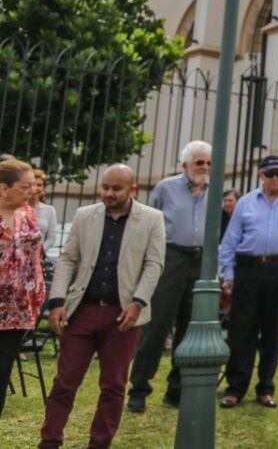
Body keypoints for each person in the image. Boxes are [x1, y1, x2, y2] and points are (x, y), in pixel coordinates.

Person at [40, 165, 165, 449]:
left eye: (116, 188)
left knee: (113, 387)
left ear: (133, 189)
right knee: (64, 382)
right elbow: (68, 259)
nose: (109, 193)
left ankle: (99, 444)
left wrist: (138, 302)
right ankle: (49, 442)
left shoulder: (152, 219)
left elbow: (154, 265)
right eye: (105, 187)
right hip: (82, 311)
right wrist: (57, 301)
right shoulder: (85, 215)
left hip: (124, 315)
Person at [218, 154, 278, 409]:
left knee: (272, 329)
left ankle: (266, 387)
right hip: (248, 267)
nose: (275, 179)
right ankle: (236, 387)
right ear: (261, 175)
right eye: (270, 174)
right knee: (242, 328)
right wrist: (229, 273)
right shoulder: (246, 202)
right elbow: (230, 240)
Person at [127, 140, 213, 412]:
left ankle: (176, 389)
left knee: (189, 328)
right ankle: (139, 389)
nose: (205, 167)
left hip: (201, 260)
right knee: (157, 326)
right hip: (171, 257)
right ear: (185, 164)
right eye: (199, 162)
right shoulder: (166, 188)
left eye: (209, 163)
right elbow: (150, 226)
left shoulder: (215, 189)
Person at [0, 159, 45, 419]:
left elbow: (34, 257)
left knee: (2, 372)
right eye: (25, 186)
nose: (32, 191)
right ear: (4, 188)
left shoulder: (27, 213)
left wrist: (38, 294)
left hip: (17, 308)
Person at [30, 167, 59, 262]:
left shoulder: (50, 210)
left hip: (37, 258)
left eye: (39, 185)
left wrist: (39, 251)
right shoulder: (17, 208)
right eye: (33, 184)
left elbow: (51, 238)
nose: (36, 188)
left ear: (43, 189)